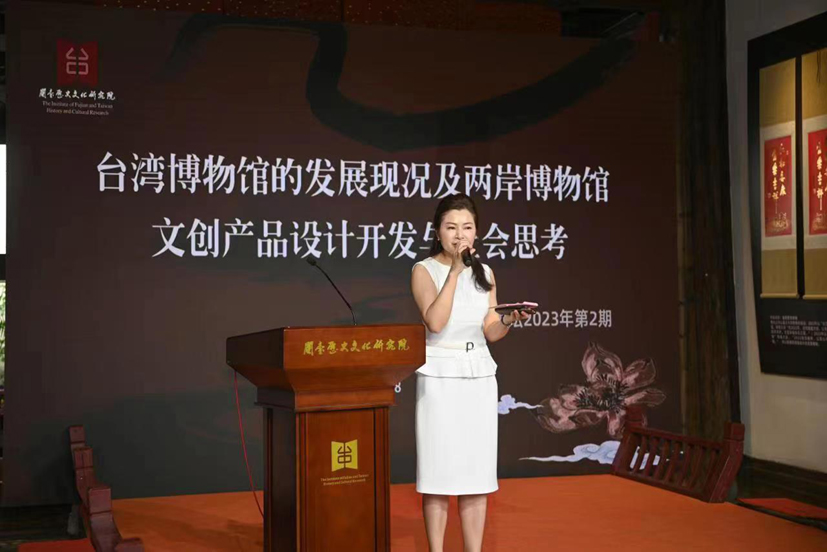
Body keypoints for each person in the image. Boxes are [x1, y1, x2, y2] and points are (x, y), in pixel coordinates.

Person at [410, 193, 530, 552]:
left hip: (479, 377)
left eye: (467, 227)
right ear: (437, 231)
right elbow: (435, 322)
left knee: (476, 476)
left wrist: (509, 319)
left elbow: (490, 330)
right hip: (439, 380)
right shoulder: (423, 270)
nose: (459, 235)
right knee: (437, 475)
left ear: (477, 232)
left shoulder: (486, 273)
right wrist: (454, 273)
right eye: (451, 227)